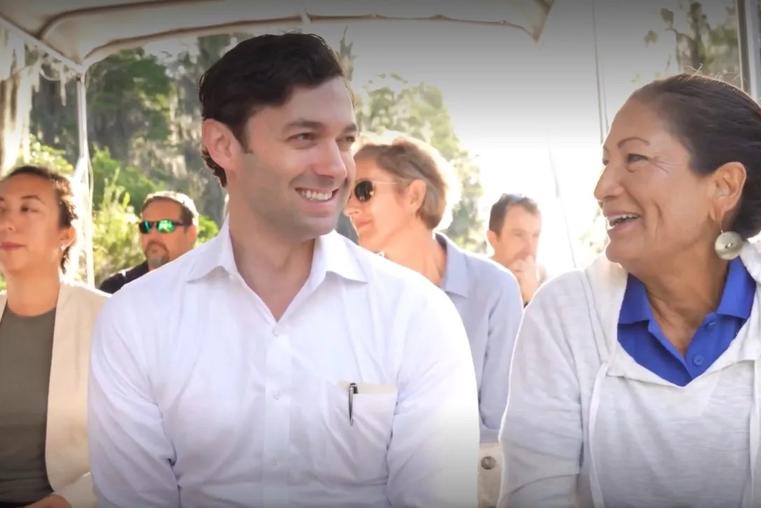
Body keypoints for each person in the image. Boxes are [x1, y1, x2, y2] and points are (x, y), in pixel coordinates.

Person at [88, 33, 479, 508]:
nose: (336, 167)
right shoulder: (137, 318)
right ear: (222, 144)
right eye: (304, 137)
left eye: (345, 141)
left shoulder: (417, 314)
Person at [499, 74, 761, 507]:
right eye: (606, 163)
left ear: (724, 186)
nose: (602, 189)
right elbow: (534, 496)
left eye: (634, 158)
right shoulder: (561, 314)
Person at [345, 133, 522, 508]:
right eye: (345, 192)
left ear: (413, 195)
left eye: (362, 190)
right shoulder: (353, 297)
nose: (349, 207)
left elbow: (498, 420)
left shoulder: (494, 287)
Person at [0, 166, 107, 508]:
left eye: (28, 208)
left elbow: (143, 447)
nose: (8, 222)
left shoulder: (109, 319)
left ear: (66, 234)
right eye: (1, 208)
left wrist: (64, 502)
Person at [98, 191, 199, 293]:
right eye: (146, 226)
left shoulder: (209, 291)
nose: (153, 235)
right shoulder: (116, 288)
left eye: (165, 225)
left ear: (191, 233)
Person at [487, 193, 543, 304]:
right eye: (519, 235)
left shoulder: (551, 287)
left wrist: (533, 297)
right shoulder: (473, 286)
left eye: (535, 235)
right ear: (493, 239)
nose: (529, 248)